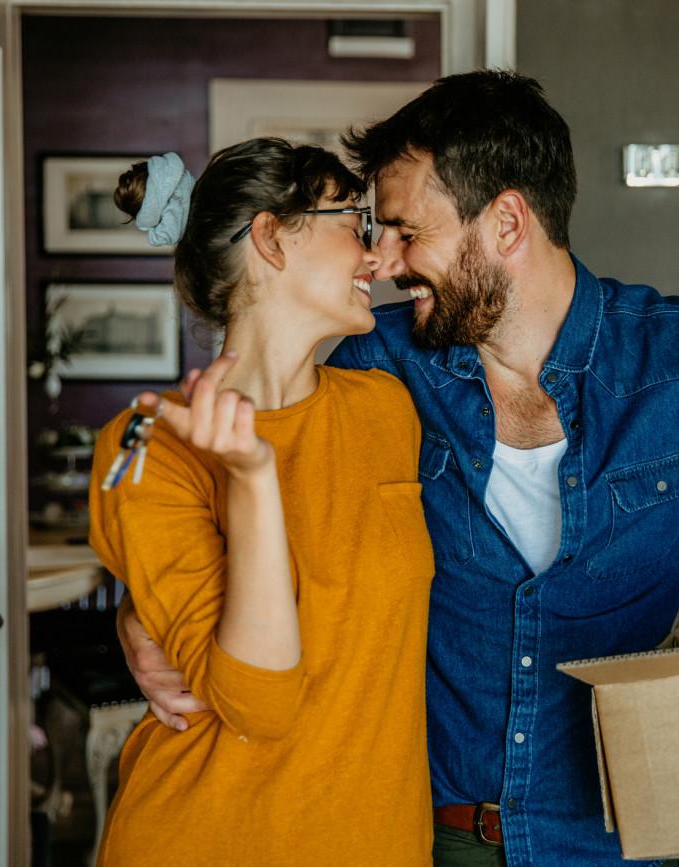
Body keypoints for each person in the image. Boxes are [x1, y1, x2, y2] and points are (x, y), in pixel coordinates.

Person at [117, 72, 679, 867]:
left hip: (617, 841)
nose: (381, 263)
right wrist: (141, 613)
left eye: (407, 231)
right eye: (371, 235)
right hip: (428, 836)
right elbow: (222, 454)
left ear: (506, 222)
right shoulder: (375, 369)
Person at [88, 140, 435, 866]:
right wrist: (251, 477)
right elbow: (258, 702)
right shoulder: (150, 444)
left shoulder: (387, 411)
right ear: (272, 237)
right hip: (203, 839)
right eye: (353, 222)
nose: (376, 256)